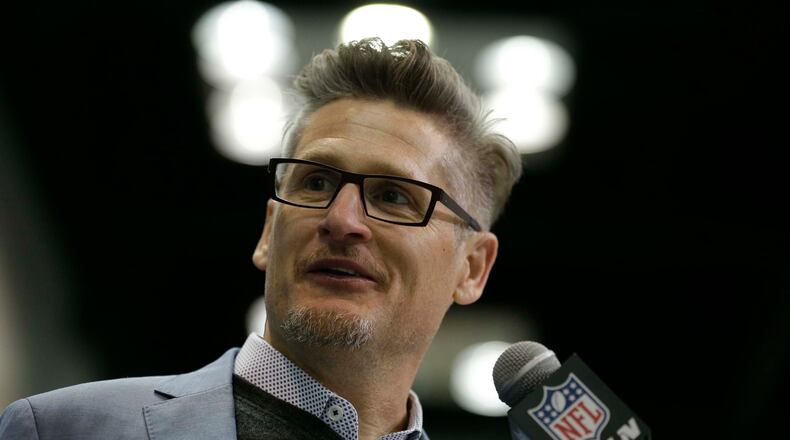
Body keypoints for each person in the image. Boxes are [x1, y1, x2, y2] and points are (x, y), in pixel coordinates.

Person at [0, 38, 522, 440]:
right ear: (270, 231)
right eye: (315, 183)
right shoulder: (62, 429)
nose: (343, 220)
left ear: (472, 267)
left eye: (392, 196)